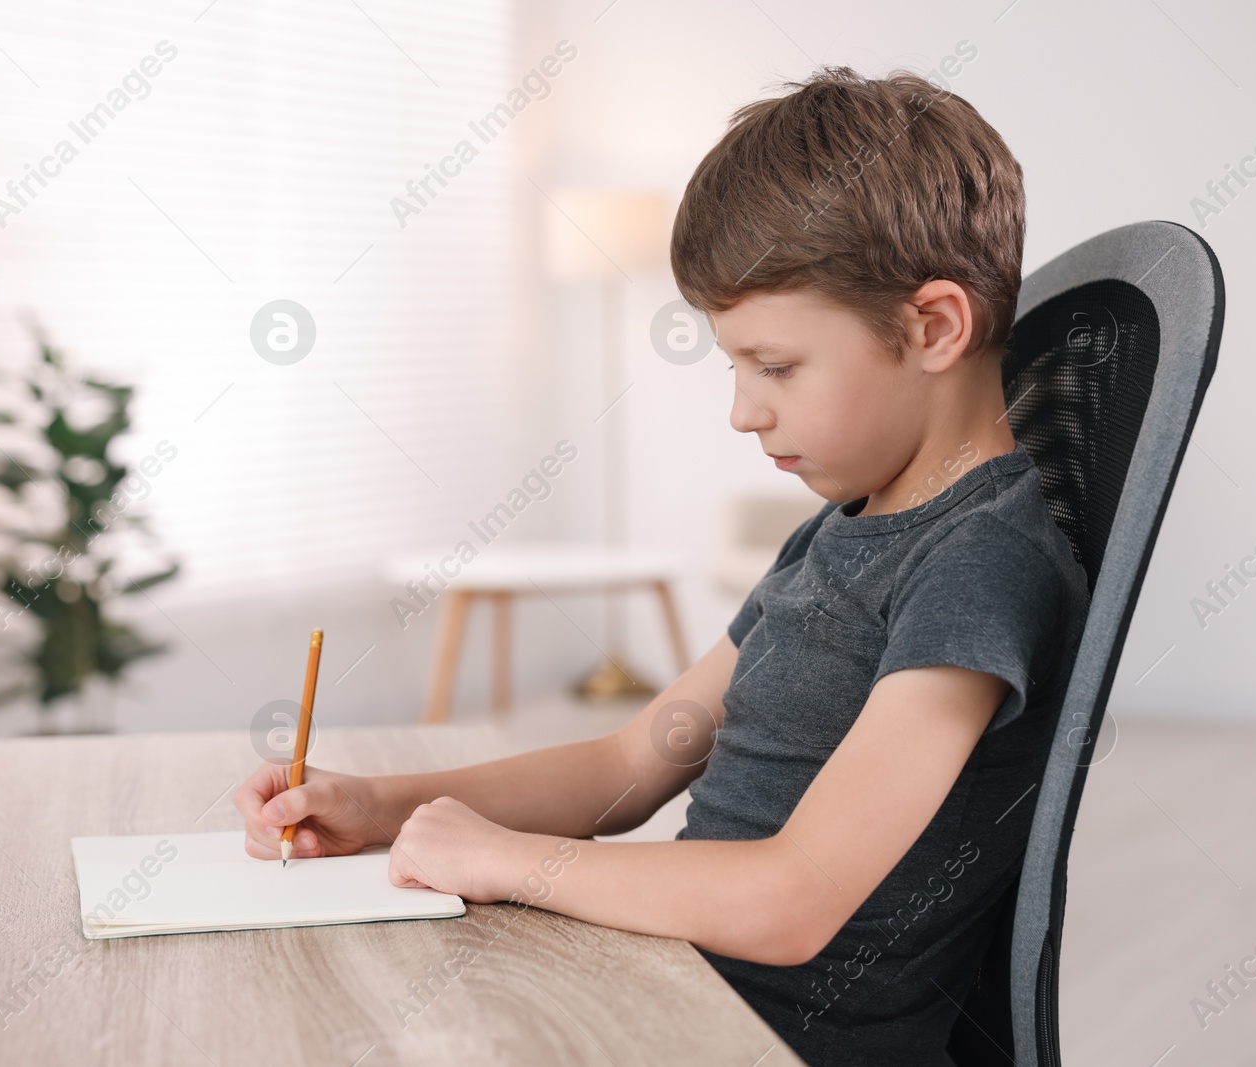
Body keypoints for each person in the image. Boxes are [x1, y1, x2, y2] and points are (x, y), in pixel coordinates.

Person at [236, 65, 1090, 1066]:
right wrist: (379, 807)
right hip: (680, 979)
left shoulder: (979, 565)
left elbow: (792, 903)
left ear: (932, 325)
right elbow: (633, 761)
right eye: (734, 366)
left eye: (774, 366)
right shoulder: (843, 525)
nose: (743, 410)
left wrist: (509, 861)